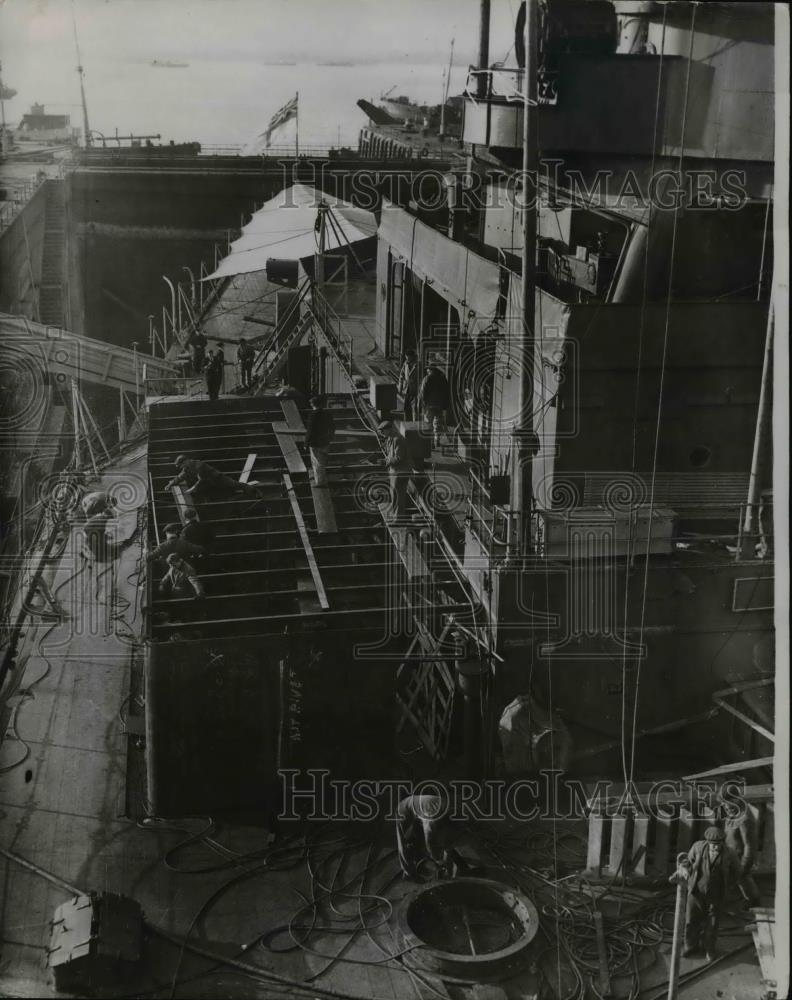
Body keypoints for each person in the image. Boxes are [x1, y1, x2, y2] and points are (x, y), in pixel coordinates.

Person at [680, 826, 742, 961]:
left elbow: (737, 873)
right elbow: (687, 861)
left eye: (718, 845)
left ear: (722, 843)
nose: (715, 848)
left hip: (716, 895)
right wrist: (684, 868)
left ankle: (709, 949)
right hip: (696, 892)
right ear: (707, 842)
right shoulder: (697, 847)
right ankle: (690, 946)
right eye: (712, 845)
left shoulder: (730, 853)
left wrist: (727, 887)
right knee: (691, 920)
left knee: (712, 924)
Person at [396, 793, 470, 881]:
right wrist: (437, 859)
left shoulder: (456, 815)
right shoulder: (433, 819)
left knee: (427, 840)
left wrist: (447, 861)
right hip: (404, 808)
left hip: (425, 807)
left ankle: (423, 861)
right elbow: (429, 841)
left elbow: (448, 841)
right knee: (403, 842)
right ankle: (408, 874)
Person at [165, 454, 261, 501]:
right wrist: (170, 484)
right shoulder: (187, 468)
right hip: (210, 483)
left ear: (185, 461)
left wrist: (192, 489)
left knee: (235, 485)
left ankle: (255, 491)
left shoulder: (199, 465)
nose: (180, 468)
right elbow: (180, 477)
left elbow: (201, 480)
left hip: (218, 478)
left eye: (180, 465)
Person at [380, 420, 413, 519]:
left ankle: (398, 518)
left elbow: (399, 457)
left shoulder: (398, 439)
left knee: (398, 495)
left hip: (401, 471)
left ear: (389, 429)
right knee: (393, 493)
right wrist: (384, 460)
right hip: (395, 471)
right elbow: (391, 455)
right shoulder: (390, 438)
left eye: (383, 430)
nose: (382, 433)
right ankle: (395, 514)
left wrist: (387, 462)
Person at [305, 395, 335, 487]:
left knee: (317, 463)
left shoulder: (312, 415)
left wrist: (306, 443)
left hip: (315, 443)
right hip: (325, 442)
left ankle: (320, 482)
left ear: (312, 404)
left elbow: (310, 430)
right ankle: (323, 480)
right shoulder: (327, 414)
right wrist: (330, 437)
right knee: (322, 461)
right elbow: (333, 427)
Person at [418, 363, 451, 447]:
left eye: (428, 370)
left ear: (430, 370)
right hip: (440, 405)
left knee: (429, 424)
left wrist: (423, 404)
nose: (427, 371)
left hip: (429, 406)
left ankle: (431, 442)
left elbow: (423, 393)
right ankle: (437, 439)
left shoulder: (427, 378)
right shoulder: (443, 378)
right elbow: (447, 393)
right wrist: (445, 405)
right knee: (438, 423)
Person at [398, 350, 419, 420]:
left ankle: (414, 425)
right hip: (407, 390)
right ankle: (407, 423)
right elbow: (401, 376)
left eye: (409, 358)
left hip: (415, 390)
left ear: (412, 357)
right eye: (406, 358)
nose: (407, 359)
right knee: (406, 408)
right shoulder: (405, 364)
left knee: (414, 409)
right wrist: (400, 388)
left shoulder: (418, 365)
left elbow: (421, 379)